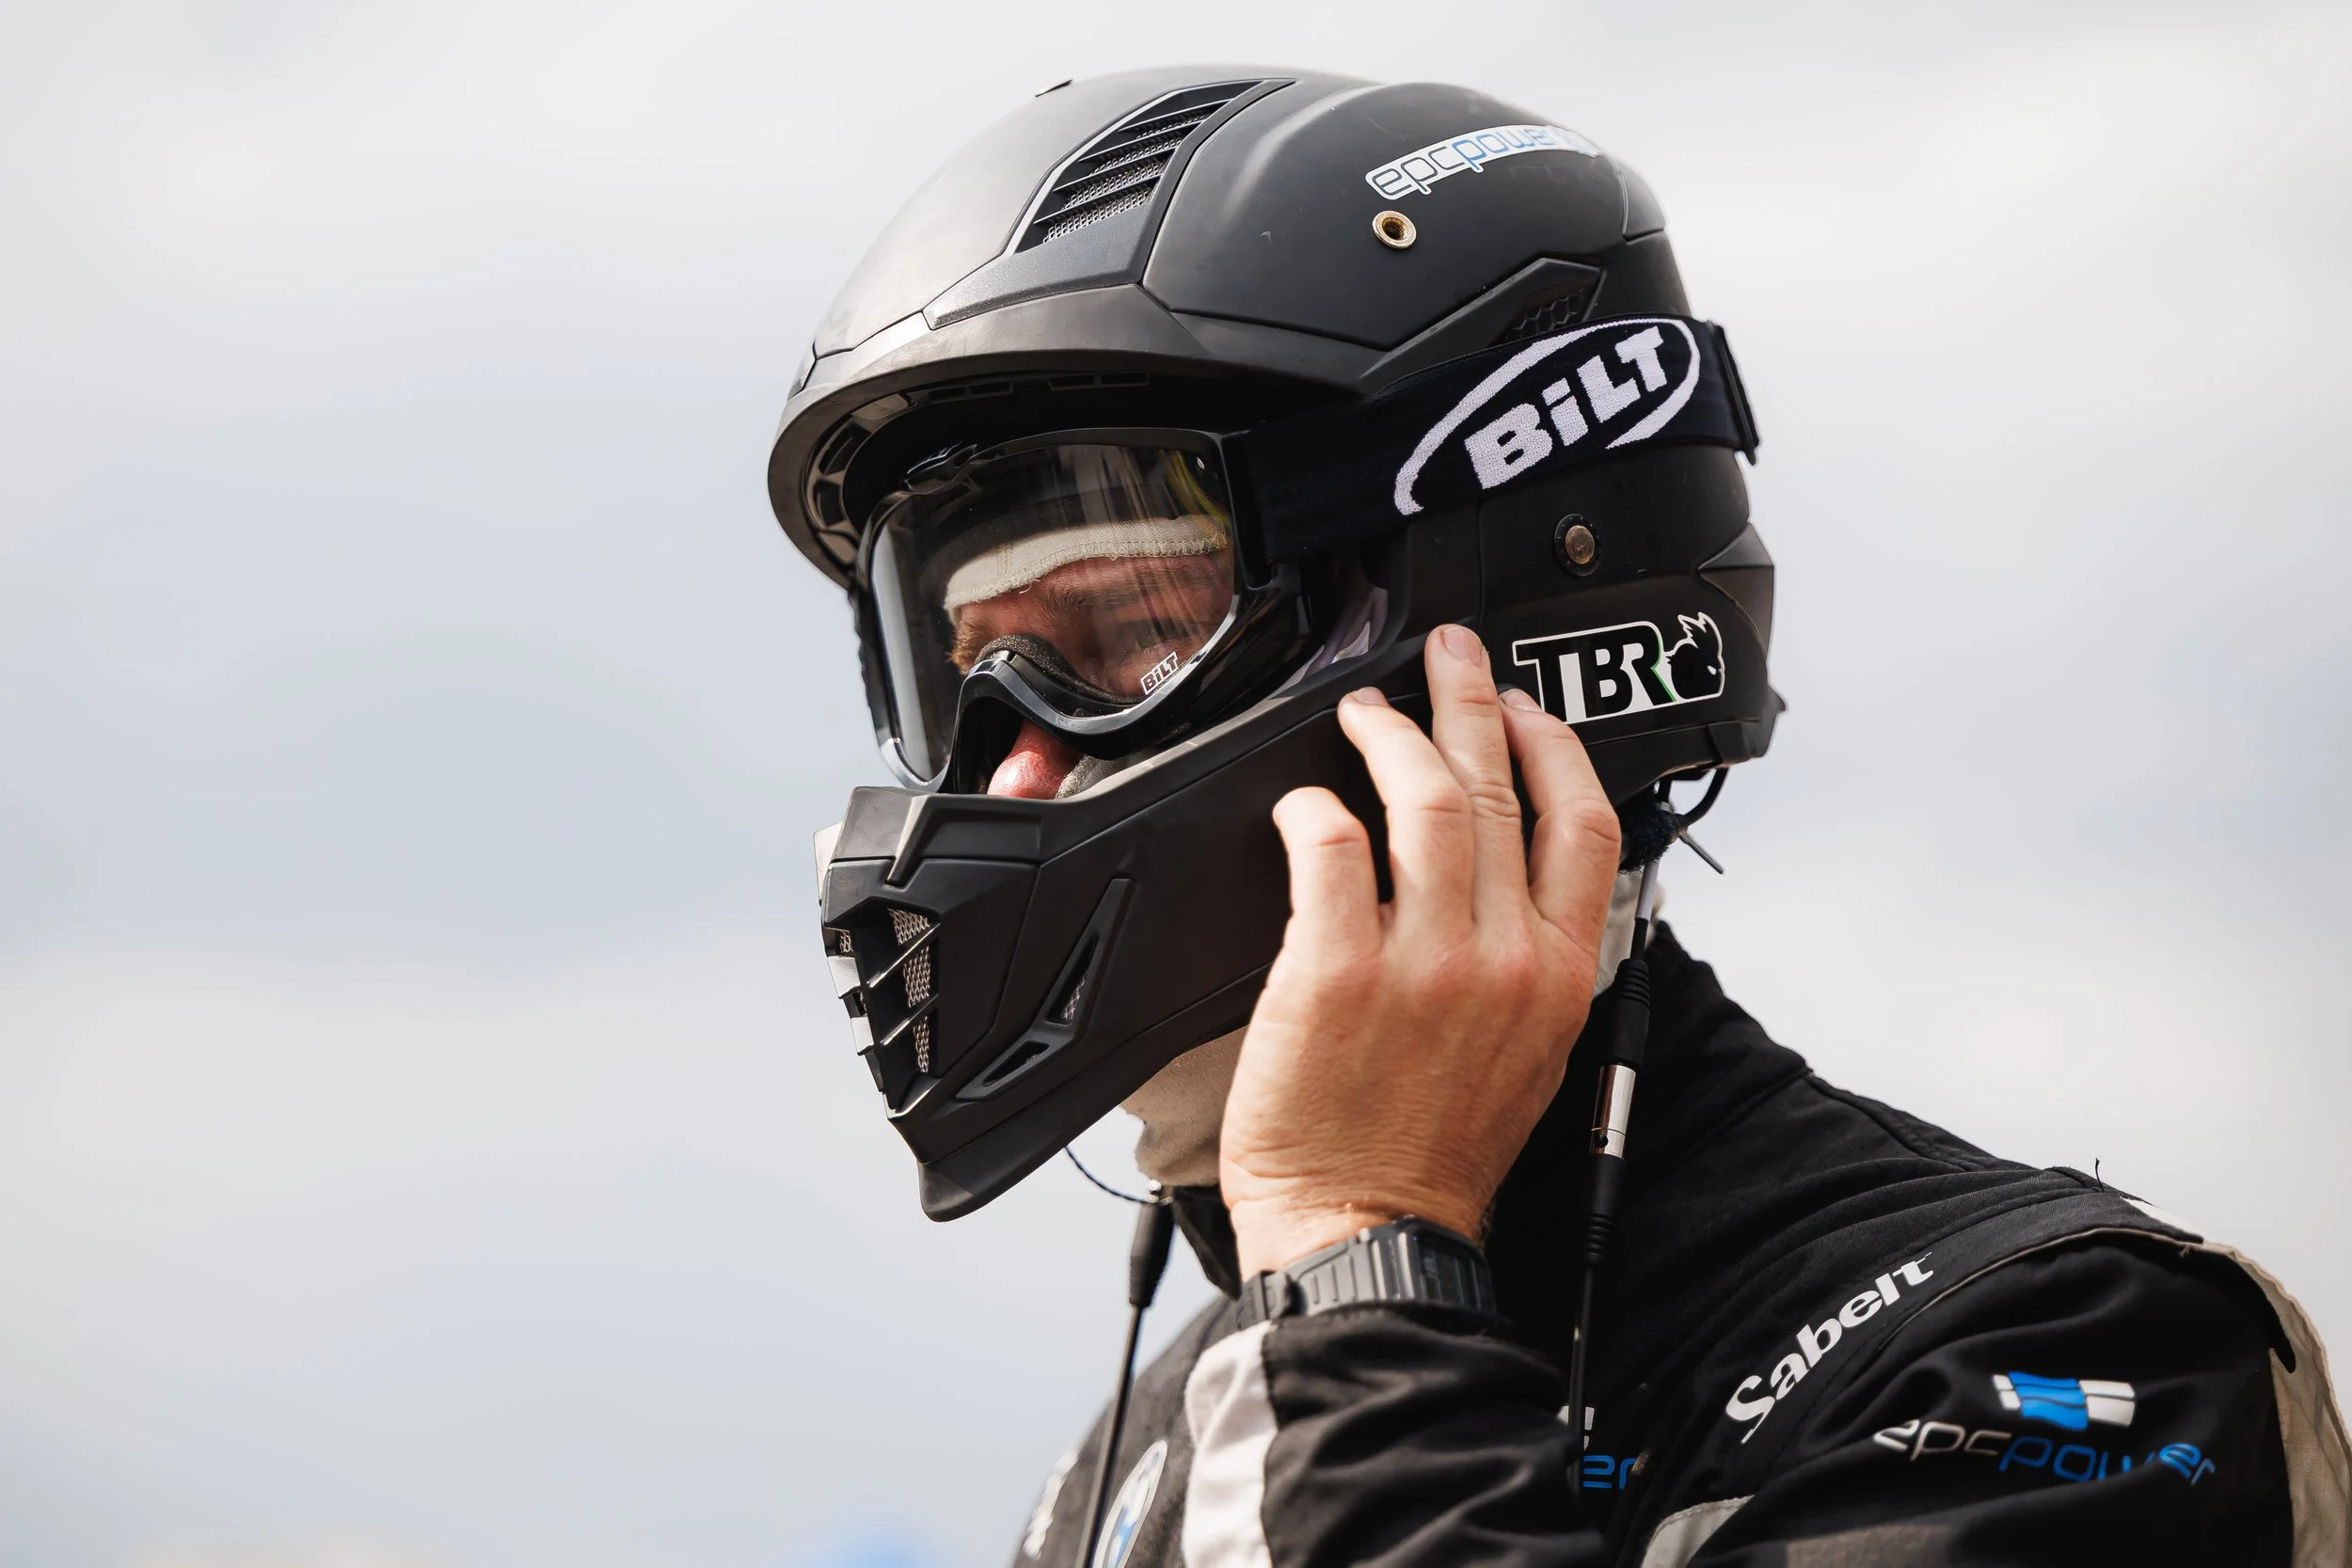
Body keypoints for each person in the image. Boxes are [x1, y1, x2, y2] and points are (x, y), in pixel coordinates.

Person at [771, 68, 2351, 1567]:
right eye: (972, 677)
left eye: (1125, 634)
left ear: (1498, 630)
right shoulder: (1131, 1473)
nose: (1012, 770)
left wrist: (1352, 1255)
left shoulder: (2075, 1364)